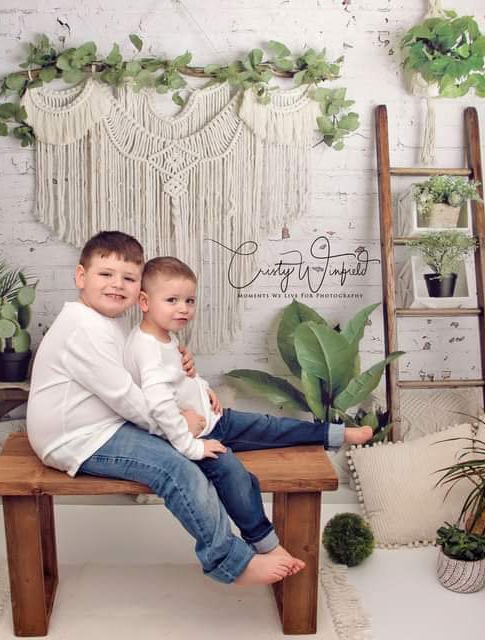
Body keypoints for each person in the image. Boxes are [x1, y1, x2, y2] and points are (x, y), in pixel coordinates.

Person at [27, 231, 296, 585]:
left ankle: (263, 541)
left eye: (128, 278)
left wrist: (187, 374)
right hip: (74, 438)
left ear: (140, 289)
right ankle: (231, 562)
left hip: (106, 424)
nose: (117, 285)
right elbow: (127, 397)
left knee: (213, 457)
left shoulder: (108, 323)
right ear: (81, 276)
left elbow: (143, 376)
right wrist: (180, 427)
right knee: (176, 468)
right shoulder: (82, 329)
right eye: (105, 274)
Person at [123, 256, 373, 566]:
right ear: (144, 302)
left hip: (214, 421)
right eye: (172, 300)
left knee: (269, 426)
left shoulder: (166, 336)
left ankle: (334, 433)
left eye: (189, 300)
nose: (183, 308)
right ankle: (264, 544)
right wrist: (192, 447)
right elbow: (158, 405)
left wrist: (204, 389)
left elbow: (181, 378)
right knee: (234, 474)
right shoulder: (146, 348)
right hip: (191, 440)